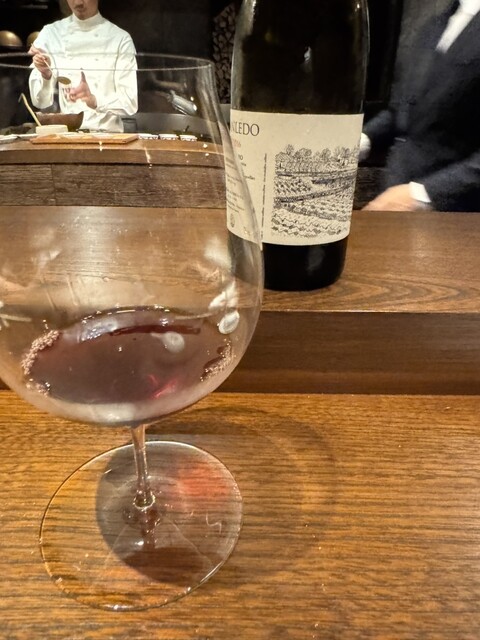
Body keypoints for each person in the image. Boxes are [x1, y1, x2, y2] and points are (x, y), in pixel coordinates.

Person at [361, 0, 480, 212]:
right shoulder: (434, 25)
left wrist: (422, 194)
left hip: (456, 214)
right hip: (394, 197)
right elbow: (403, 109)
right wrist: (363, 140)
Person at [28, 0, 138, 132]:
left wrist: (94, 101)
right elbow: (40, 102)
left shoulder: (120, 38)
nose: (78, 3)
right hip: (67, 135)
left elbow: (130, 103)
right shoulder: (50, 34)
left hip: (108, 135)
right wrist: (46, 75)